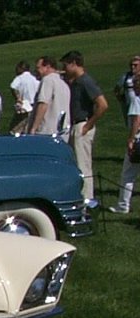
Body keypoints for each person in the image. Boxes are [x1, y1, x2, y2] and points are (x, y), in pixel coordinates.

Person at [61, 50, 108, 203]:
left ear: (74, 63)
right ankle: (82, 195)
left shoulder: (85, 81)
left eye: (66, 65)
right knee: (78, 164)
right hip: (76, 124)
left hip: (82, 124)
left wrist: (88, 125)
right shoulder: (75, 82)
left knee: (83, 165)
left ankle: (87, 198)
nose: (65, 68)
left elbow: (102, 104)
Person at [110, 58, 140, 214]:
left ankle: (123, 205)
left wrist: (131, 139)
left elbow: (136, 120)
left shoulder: (136, 100)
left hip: (138, 140)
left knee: (128, 174)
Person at [28, 56, 71, 142]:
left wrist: (33, 128)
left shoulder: (47, 80)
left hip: (46, 131)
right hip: (62, 131)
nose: (36, 71)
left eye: (38, 68)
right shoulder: (63, 84)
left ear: (47, 67)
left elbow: (43, 104)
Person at [10, 61, 39, 133]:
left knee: (15, 130)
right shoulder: (35, 79)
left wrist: (18, 98)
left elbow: (13, 86)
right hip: (34, 106)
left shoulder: (20, 78)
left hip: (24, 106)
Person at [113, 56, 140, 125]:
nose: (133, 67)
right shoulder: (126, 76)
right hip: (129, 105)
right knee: (131, 126)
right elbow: (116, 89)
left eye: (135, 65)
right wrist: (121, 99)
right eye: (131, 65)